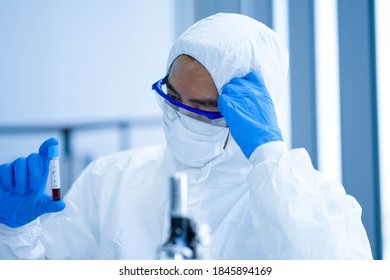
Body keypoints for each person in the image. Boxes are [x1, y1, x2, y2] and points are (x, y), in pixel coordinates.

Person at [0, 13, 372, 259]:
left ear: (253, 109)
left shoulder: (310, 200)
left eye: (205, 107)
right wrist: (15, 234)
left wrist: (268, 155)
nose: (181, 117)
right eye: (173, 98)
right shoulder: (111, 178)